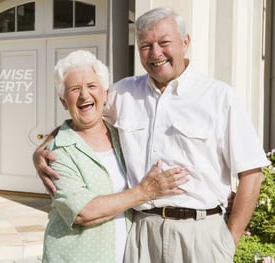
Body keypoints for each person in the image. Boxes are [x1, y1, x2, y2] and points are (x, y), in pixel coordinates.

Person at [34, 7, 270, 263]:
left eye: (164, 42)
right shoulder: (123, 94)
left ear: (185, 42)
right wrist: (45, 146)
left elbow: (252, 174)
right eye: (146, 45)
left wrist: (230, 239)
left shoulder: (219, 97)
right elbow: (85, 111)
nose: (155, 53)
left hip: (201, 234)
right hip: (142, 234)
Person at [41, 50, 188, 263]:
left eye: (91, 86)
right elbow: (84, 212)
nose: (84, 95)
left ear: (105, 93)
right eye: (74, 89)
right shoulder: (58, 151)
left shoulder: (122, 136)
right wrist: (144, 192)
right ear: (63, 101)